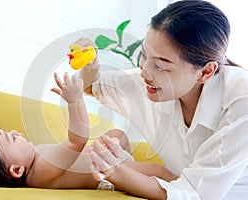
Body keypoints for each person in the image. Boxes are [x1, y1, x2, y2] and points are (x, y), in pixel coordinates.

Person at [77, 0, 248, 199]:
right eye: (144, 55)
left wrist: (116, 171)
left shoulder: (240, 101)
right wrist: (90, 65)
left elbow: (195, 194)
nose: (144, 72)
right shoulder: (153, 83)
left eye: (160, 67)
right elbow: (92, 85)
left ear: (205, 72)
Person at [0, 72, 176, 190]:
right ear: (16, 170)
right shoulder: (42, 170)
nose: (16, 131)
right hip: (109, 176)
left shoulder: (36, 163)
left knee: (117, 136)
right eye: (11, 137)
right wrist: (74, 100)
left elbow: (76, 152)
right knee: (158, 171)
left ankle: (130, 165)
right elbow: (77, 140)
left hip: (102, 164)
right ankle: (194, 191)